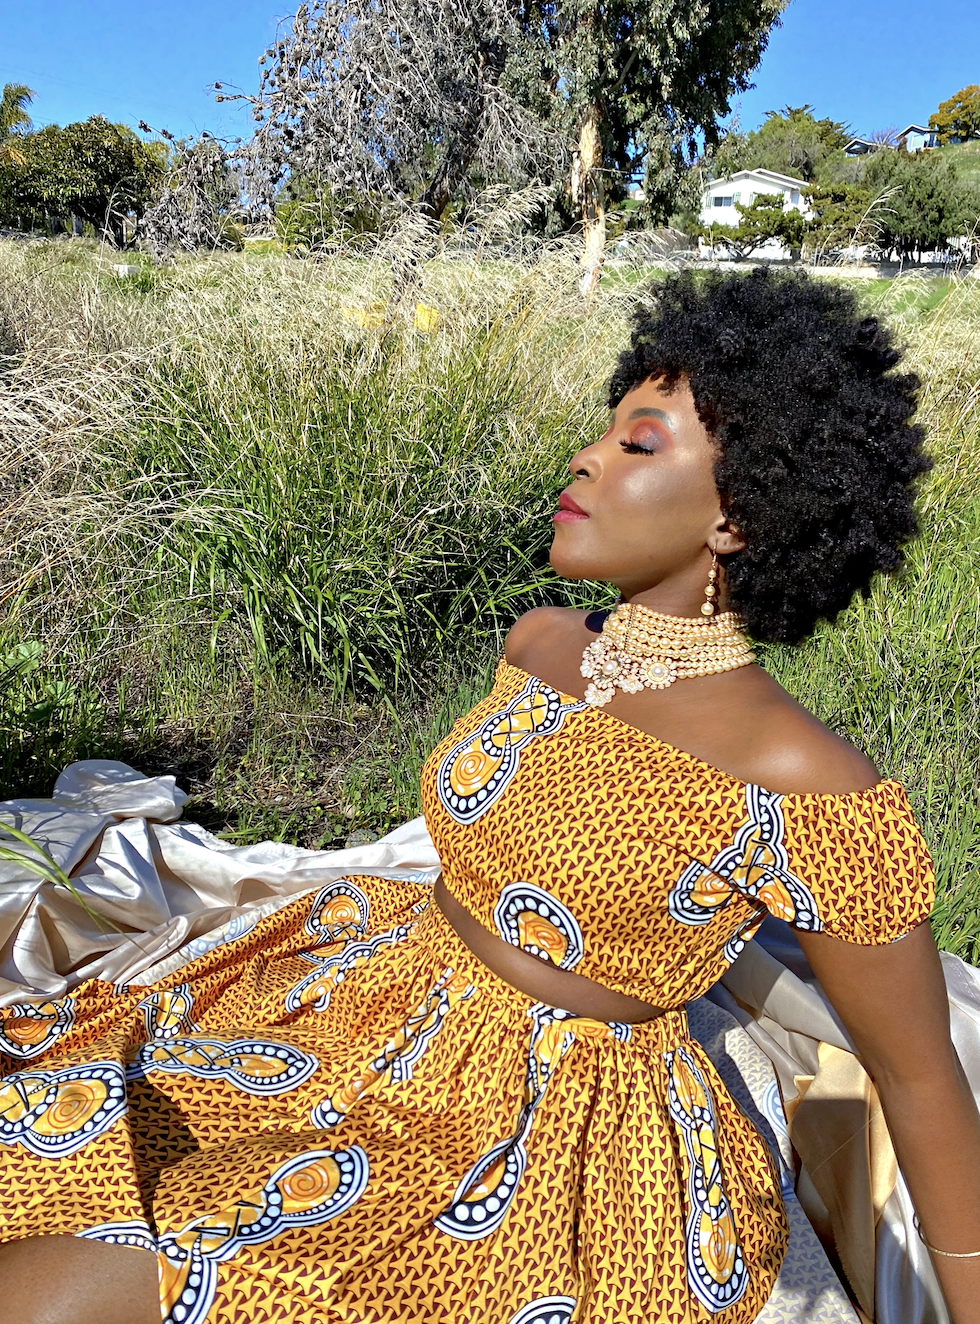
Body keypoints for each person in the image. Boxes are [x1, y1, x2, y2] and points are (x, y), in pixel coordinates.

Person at [0, 266, 976, 1324]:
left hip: (537, 1123)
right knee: (60, 1145)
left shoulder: (807, 784)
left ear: (737, 516)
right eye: (603, 431)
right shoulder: (541, 642)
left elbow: (918, 1081)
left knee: (86, 1290)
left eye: (638, 444)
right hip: (364, 992)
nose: (587, 457)